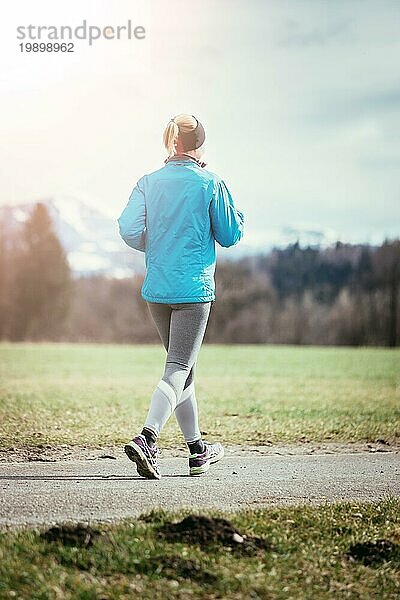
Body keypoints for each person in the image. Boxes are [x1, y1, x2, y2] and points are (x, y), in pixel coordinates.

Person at [117, 113, 245, 478]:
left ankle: (197, 451)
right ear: (199, 146)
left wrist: (154, 247)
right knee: (177, 368)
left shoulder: (147, 182)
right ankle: (147, 438)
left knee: (182, 370)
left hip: (157, 290)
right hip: (193, 290)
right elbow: (230, 234)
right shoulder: (210, 182)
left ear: (170, 144)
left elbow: (127, 228)